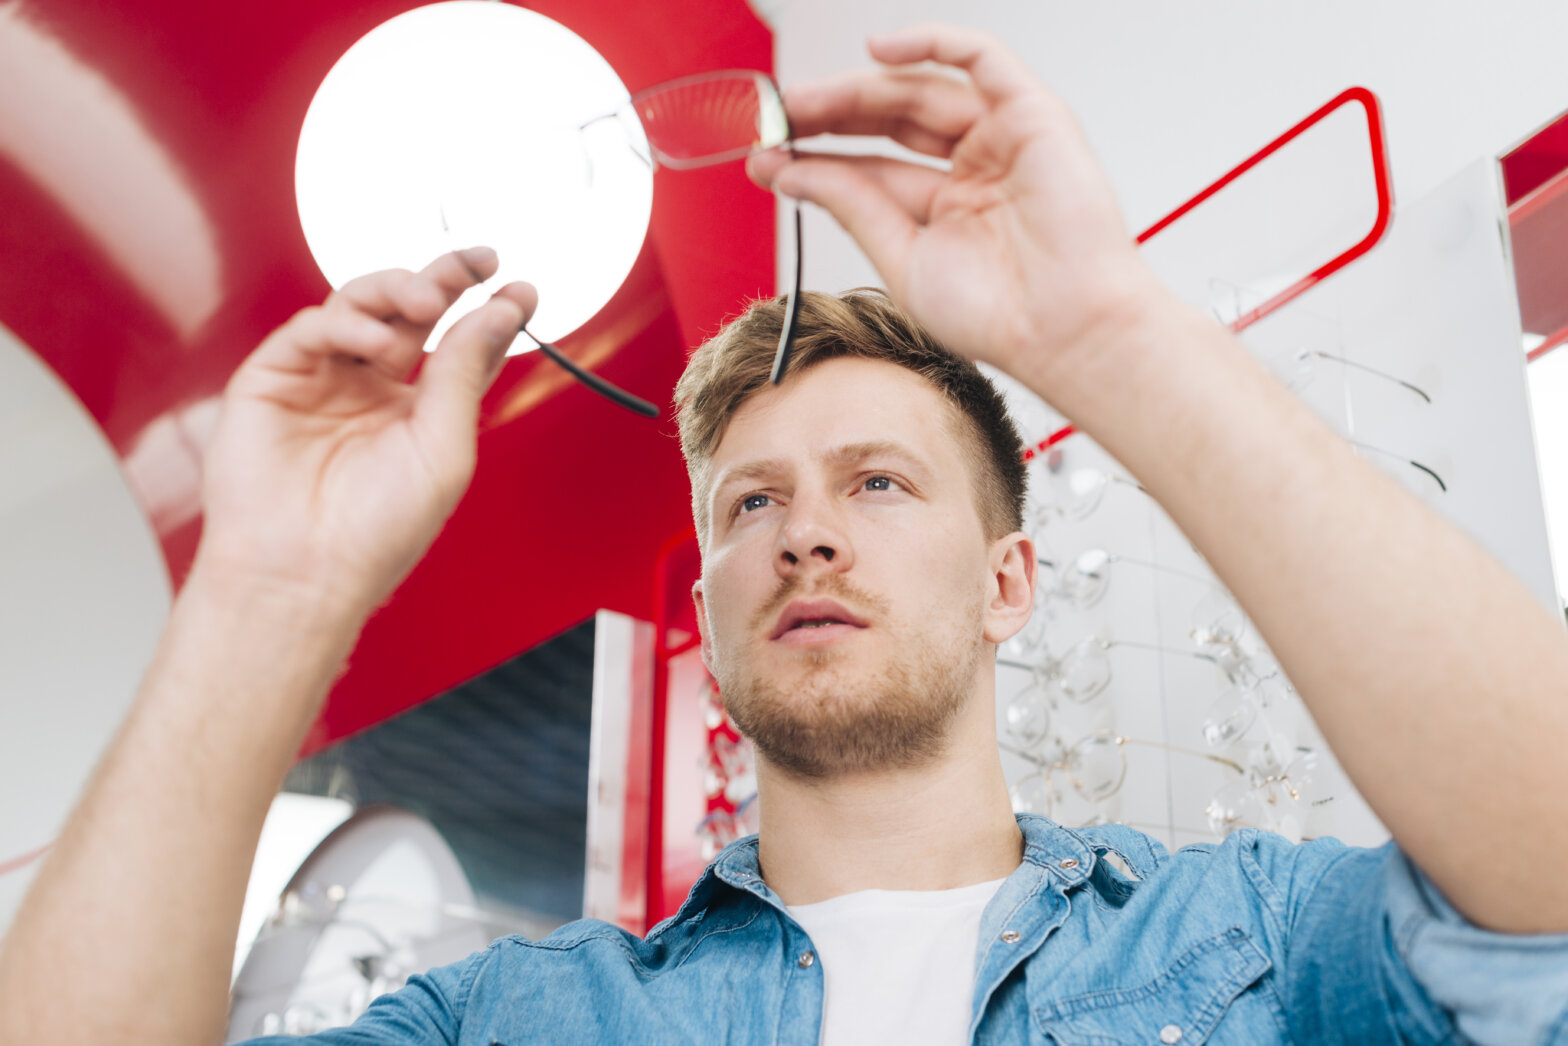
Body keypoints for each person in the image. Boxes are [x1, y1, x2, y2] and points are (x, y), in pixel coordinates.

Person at [2, 22, 1567, 1046]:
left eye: (880, 482)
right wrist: (268, 584)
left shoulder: (1258, 945)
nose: (806, 534)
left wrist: (1104, 332)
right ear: (718, 589)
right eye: (754, 503)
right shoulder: (521, 1019)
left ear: (1011, 579)